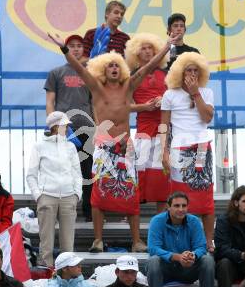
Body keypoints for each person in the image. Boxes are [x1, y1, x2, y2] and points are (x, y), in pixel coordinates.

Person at [48, 29, 179, 254]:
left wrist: (166, 47)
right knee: (99, 196)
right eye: (110, 66)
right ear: (102, 70)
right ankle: (98, 240)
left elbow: (147, 67)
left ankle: (137, 240)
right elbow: (79, 67)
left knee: (131, 193)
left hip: (125, 147)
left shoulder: (129, 86)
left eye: (117, 65)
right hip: (103, 146)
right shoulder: (96, 87)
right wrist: (64, 49)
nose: (115, 68)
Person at [160, 51, 215, 252]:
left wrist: (195, 93)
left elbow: (207, 118)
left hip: (202, 147)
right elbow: (164, 126)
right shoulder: (169, 94)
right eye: (188, 70)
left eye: (195, 70)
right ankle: (179, 242)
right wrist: (164, 152)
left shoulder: (206, 92)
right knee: (179, 199)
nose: (192, 73)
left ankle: (209, 242)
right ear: (179, 72)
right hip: (178, 149)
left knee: (206, 199)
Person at [44, 34, 95, 222]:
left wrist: (97, 128)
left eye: (79, 46)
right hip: (65, 130)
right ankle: (62, 212)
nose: (75, 49)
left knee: (87, 172)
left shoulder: (90, 73)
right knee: (62, 171)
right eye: (71, 45)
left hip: (87, 129)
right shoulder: (56, 72)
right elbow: (50, 101)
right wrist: (53, 124)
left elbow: (95, 103)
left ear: (84, 50)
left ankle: (88, 212)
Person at [147, 191, 218, 287]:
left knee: (207, 260)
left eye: (184, 206)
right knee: (153, 261)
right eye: (176, 206)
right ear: (168, 207)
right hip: (166, 270)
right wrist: (176, 257)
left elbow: (201, 247)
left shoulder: (194, 221)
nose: (181, 209)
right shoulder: (157, 221)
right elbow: (153, 248)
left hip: (188, 268)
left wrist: (192, 256)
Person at [26, 111, 82, 267]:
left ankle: (67, 275)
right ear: (56, 127)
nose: (68, 129)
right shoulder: (39, 146)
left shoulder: (71, 146)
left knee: (68, 244)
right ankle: (46, 275)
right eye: (65, 126)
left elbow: (77, 173)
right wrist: (39, 196)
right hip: (47, 196)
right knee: (46, 244)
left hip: (69, 196)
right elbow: (31, 175)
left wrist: (76, 194)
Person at [126, 33, 170, 210]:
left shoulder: (168, 75)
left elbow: (176, 101)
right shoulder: (132, 76)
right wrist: (144, 107)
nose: (147, 51)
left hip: (163, 129)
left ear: (156, 51)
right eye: (142, 48)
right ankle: (132, 221)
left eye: (150, 47)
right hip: (143, 128)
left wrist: (164, 100)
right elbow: (126, 105)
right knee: (138, 173)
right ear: (136, 52)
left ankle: (163, 221)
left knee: (162, 177)